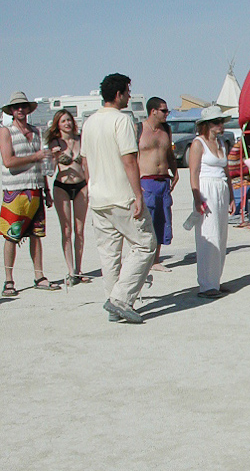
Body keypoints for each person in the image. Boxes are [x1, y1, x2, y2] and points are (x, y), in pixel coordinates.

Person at [81, 73, 157, 323]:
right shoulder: (121, 120)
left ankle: (114, 303)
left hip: (99, 198)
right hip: (121, 197)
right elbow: (129, 161)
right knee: (146, 244)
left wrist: (92, 187)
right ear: (118, 95)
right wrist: (138, 194)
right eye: (127, 91)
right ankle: (121, 300)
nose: (129, 96)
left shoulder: (90, 122)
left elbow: (85, 162)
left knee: (109, 254)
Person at [0, 91, 60, 296]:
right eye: (16, 107)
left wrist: (47, 191)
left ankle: (39, 275)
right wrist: (35, 156)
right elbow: (8, 161)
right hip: (15, 190)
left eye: (23, 106)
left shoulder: (35, 131)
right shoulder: (6, 132)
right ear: (12, 111)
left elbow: (41, 164)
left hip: (35, 189)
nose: (20, 110)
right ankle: (9, 280)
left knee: (36, 235)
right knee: (11, 236)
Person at [189, 105, 236, 298]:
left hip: (221, 188)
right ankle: (206, 284)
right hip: (206, 188)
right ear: (207, 125)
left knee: (221, 235)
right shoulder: (198, 143)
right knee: (208, 235)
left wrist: (232, 197)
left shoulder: (222, 143)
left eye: (222, 122)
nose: (221, 126)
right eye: (217, 122)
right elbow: (193, 172)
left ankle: (215, 280)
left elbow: (227, 173)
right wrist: (197, 197)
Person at [45, 109, 91, 286]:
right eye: (63, 121)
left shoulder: (81, 140)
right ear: (58, 124)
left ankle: (79, 270)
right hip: (62, 187)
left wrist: (89, 185)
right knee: (66, 230)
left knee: (79, 230)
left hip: (81, 186)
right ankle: (70, 270)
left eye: (69, 120)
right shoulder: (55, 143)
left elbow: (87, 165)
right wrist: (54, 156)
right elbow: (49, 170)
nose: (67, 123)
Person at [138, 96, 179, 272]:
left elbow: (169, 153)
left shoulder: (166, 130)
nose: (167, 113)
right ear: (153, 111)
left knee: (162, 221)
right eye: (163, 110)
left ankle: (156, 260)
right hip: (146, 180)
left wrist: (175, 171)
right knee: (146, 222)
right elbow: (130, 157)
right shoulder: (138, 129)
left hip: (163, 179)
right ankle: (143, 260)